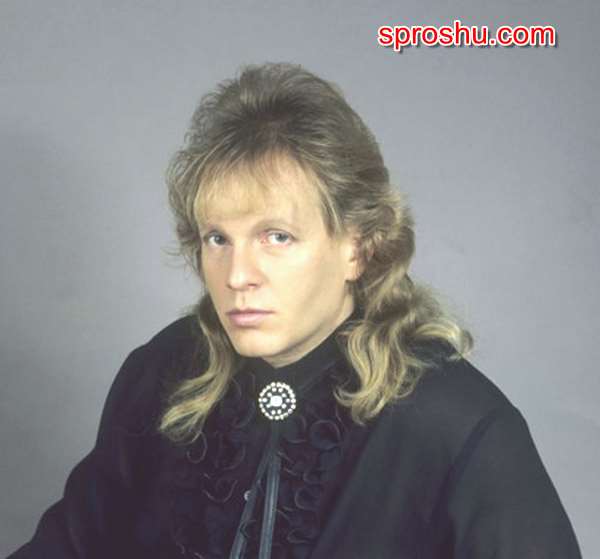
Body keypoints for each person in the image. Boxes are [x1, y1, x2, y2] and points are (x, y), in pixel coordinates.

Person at [9, 62, 582, 559]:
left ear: (358, 246)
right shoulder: (163, 371)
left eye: (276, 236)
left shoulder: (458, 423)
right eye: (217, 238)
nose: (237, 275)